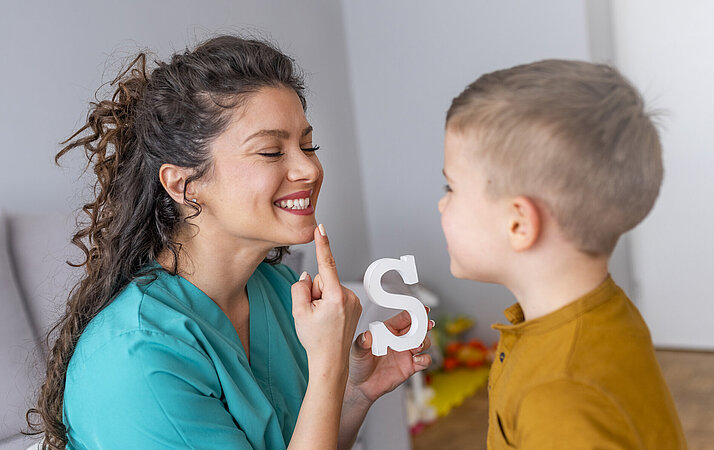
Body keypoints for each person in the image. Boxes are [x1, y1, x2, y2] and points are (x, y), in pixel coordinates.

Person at [26, 35, 433, 450]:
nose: (309, 168)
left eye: (308, 145)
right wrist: (329, 366)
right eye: (272, 152)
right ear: (184, 184)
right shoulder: (139, 359)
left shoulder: (275, 290)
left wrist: (354, 394)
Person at [438, 60, 687, 448]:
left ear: (519, 223)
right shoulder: (602, 312)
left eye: (449, 187)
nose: (441, 205)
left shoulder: (559, 398)